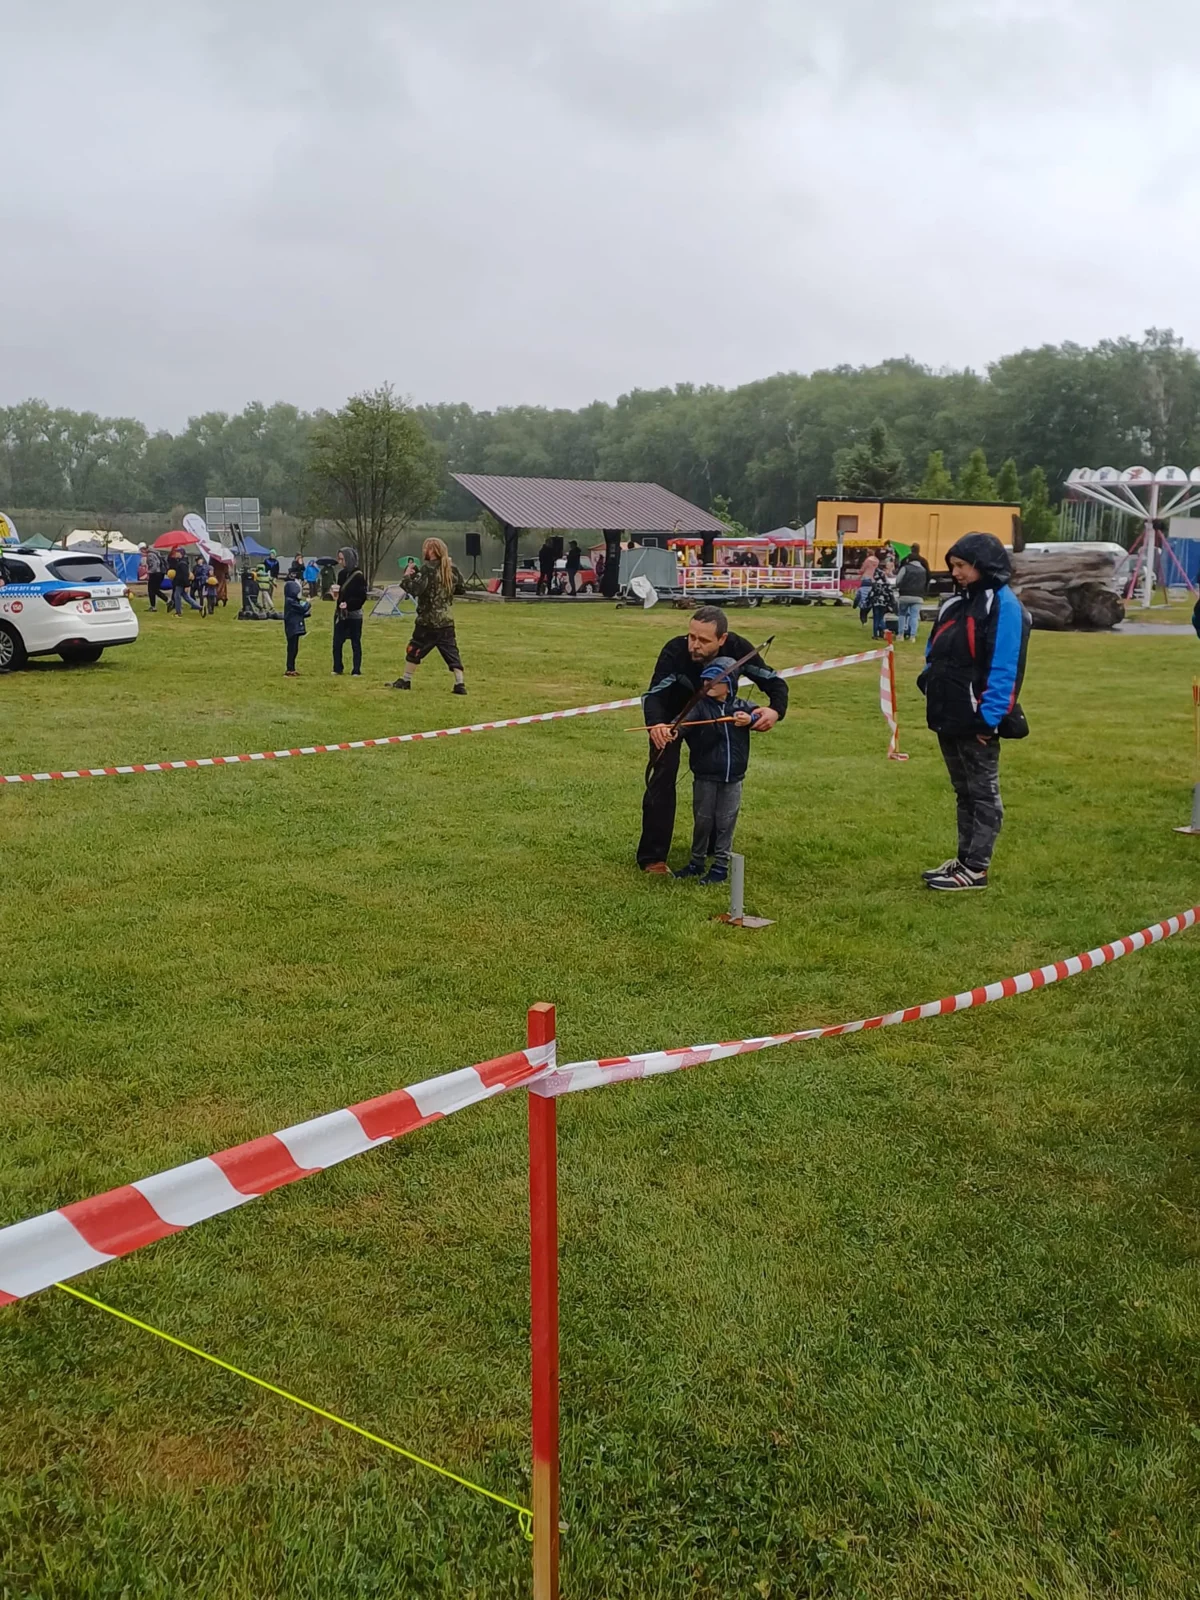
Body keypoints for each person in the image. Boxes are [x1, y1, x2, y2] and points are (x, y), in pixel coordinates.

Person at [918, 533, 1030, 892]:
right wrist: (929, 682)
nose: (956, 572)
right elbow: (933, 650)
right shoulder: (954, 604)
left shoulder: (1005, 606)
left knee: (983, 794)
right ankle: (964, 859)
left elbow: (1006, 666)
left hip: (978, 720)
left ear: (984, 565)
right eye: (953, 565)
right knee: (963, 791)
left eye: (962, 565)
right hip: (948, 716)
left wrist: (988, 719)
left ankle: (977, 868)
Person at [638, 605, 787, 873]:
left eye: (704, 640)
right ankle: (653, 857)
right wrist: (657, 725)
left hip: (714, 720)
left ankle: (712, 847)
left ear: (722, 639)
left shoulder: (738, 648)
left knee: (717, 777)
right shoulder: (675, 651)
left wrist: (775, 710)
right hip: (672, 719)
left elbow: (774, 681)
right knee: (662, 776)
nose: (694, 645)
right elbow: (654, 694)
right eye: (692, 636)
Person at [672, 658, 765, 885]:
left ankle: (721, 866)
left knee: (726, 821)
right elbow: (681, 723)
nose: (708, 683)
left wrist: (750, 719)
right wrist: (672, 731)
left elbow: (761, 715)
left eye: (716, 680)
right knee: (703, 820)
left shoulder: (742, 706)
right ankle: (696, 862)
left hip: (734, 777)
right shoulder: (699, 706)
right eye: (706, 679)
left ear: (730, 685)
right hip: (705, 775)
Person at [389, 537, 467, 693]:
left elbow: (415, 589)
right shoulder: (451, 569)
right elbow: (461, 589)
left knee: (415, 648)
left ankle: (406, 680)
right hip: (446, 620)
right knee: (451, 652)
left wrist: (407, 576)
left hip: (427, 621)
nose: (424, 550)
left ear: (432, 551)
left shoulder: (427, 569)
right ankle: (460, 684)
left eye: (426, 548)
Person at [331, 546, 367, 675]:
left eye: (342, 559)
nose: (340, 562)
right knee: (337, 642)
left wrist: (349, 604)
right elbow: (340, 593)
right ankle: (337, 668)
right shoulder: (341, 574)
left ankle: (356, 669)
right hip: (341, 614)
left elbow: (362, 597)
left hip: (354, 615)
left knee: (355, 643)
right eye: (339, 559)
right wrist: (336, 596)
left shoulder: (359, 576)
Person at [895, 552, 927, 641]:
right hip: (918, 596)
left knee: (902, 614)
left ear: (909, 560)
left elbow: (898, 580)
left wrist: (898, 587)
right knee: (914, 616)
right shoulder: (923, 570)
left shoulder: (905, 568)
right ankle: (912, 636)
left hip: (904, 595)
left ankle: (900, 634)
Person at [283, 572, 311, 676]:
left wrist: (306, 614)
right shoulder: (290, 601)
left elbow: (298, 612)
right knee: (292, 649)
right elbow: (302, 608)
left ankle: (292, 668)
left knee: (295, 649)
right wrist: (308, 603)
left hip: (295, 627)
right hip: (292, 628)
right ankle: (289, 669)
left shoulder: (293, 600)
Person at [866, 562, 897, 639]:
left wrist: (868, 601)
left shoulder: (874, 584)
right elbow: (890, 593)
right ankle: (885, 630)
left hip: (875, 603)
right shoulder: (886, 583)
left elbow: (871, 593)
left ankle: (875, 634)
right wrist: (891, 602)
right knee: (880, 618)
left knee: (876, 618)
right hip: (884, 603)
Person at [171, 548, 200, 614]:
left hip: (180, 583)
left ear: (181, 554)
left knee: (177, 597)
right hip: (181, 583)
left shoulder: (182, 563)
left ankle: (178, 612)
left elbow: (185, 574)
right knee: (186, 597)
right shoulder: (181, 561)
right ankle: (199, 607)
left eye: (177, 552)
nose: (176, 554)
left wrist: (187, 585)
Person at [144, 543, 165, 611]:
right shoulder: (156, 552)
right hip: (159, 573)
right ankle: (167, 600)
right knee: (155, 590)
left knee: (151, 590)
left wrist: (149, 572)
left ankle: (154, 606)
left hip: (154, 573)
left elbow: (154, 564)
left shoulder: (150, 554)